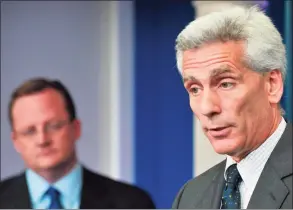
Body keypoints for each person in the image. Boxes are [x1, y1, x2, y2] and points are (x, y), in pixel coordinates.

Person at [172, 5, 292, 209]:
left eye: (225, 84)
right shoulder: (189, 197)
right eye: (194, 89)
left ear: (272, 85)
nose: (207, 107)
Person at [0, 77, 155, 209]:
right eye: (29, 131)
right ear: (16, 141)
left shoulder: (132, 203)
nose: (42, 140)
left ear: (76, 128)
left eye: (54, 126)